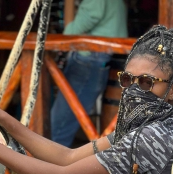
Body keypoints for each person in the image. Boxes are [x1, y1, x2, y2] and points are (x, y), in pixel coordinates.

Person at [0, 25, 173, 174]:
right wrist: (0, 116)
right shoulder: (158, 126)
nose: (133, 90)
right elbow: (67, 158)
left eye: (145, 82)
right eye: (127, 79)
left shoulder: (148, 138)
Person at [51, 0, 128, 147]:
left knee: (59, 127)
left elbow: (69, 34)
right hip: (99, 60)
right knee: (66, 122)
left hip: (87, 61)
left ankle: (46, 167)